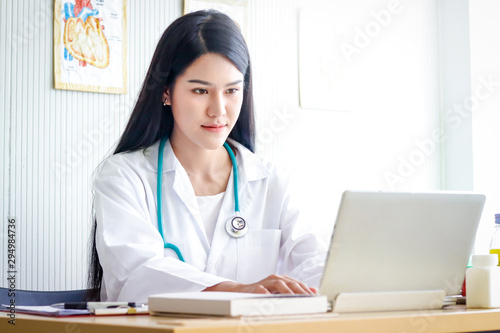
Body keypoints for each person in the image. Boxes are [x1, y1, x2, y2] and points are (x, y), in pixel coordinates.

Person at [88, 9, 326, 303]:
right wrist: (239, 290)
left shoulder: (273, 181)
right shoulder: (124, 177)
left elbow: (315, 260)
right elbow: (135, 274)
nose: (218, 110)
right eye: (201, 91)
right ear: (166, 91)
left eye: (231, 91)